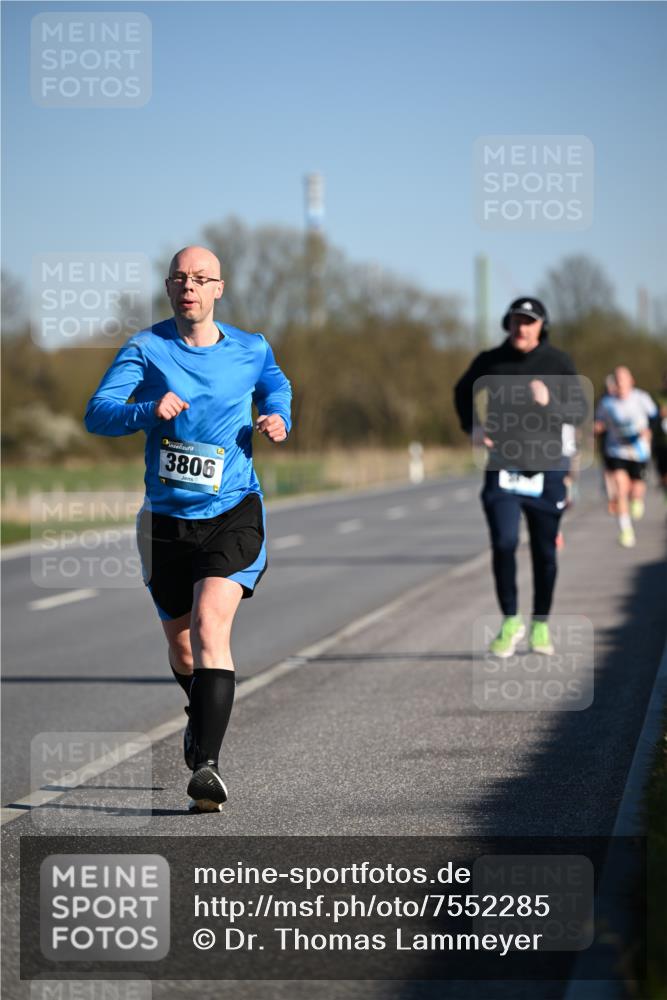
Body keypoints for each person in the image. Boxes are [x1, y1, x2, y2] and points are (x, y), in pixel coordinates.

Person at [85, 246, 292, 811]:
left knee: (209, 626)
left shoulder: (251, 348)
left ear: (219, 288)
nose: (189, 286)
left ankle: (207, 765)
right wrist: (147, 409)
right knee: (182, 651)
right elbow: (97, 411)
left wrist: (277, 417)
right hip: (164, 522)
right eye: (180, 278)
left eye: (201, 278)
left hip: (233, 509)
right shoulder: (147, 348)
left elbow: (277, 385)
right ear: (170, 287)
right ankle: (197, 713)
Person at [454, 297, 587, 658]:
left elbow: (579, 410)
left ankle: (540, 625)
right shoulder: (491, 361)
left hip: (548, 471)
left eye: (528, 321)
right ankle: (511, 620)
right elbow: (462, 390)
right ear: (507, 323)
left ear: (542, 326)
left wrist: (549, 402)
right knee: (504, 542)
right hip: (503, 470)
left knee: (545, 553)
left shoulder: (557, 362)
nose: (521, 327)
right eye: (515, 320)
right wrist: (474, 427)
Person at [594, 365, 657, 547]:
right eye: (617, 379)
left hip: (638, 451)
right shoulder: (607, 402)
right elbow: (600, 422)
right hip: (616, 451)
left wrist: (648, 431)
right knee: (620, 490)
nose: (620, 383)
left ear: (631, 381)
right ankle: (625, 530)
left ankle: (636, 501)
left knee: (636, 491)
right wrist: (597, 428)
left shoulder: (641, 398)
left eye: (623, 379)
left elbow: (654, 418)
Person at [651, 369, 667, 506]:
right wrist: (659, 414)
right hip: (661, 443)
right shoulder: (657, 397)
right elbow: (649, 416)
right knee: (664, 477)